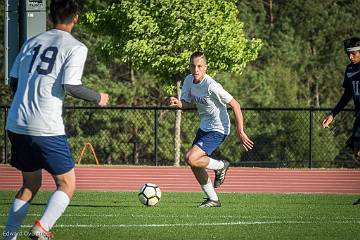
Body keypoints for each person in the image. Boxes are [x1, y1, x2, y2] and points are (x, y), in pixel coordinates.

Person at [2, 0, 109, 239]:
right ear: (76, 18)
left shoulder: (31, 42)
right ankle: (42, 228)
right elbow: (71, 85)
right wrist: (98, 97)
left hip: (17, 122)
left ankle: (9, 236)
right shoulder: (75, 47)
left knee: (30, 185)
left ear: (50, 17)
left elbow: (14, 83)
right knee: (67, 183)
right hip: (45, 126)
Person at [167, 51, 254, 207]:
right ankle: (213, 199)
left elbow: (235, 104)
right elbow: (186, 104)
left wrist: (240, 131)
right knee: (194, 163)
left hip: (219, 128)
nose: (196, 70)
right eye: (193, 66)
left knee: (191, 158)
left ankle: (221, 166)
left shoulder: (212, 86)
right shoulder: (188, 81)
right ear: (189, 67)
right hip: (204, 127)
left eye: (200, 66)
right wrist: (179, 104)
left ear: (206, 67)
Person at [322, 37, 360, 206]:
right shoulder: (350, 69)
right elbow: (347, 96)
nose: (351, 57)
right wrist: (333, 114)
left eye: (354, 53)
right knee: (358, 153)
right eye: (348, 54)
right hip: (359, 116)